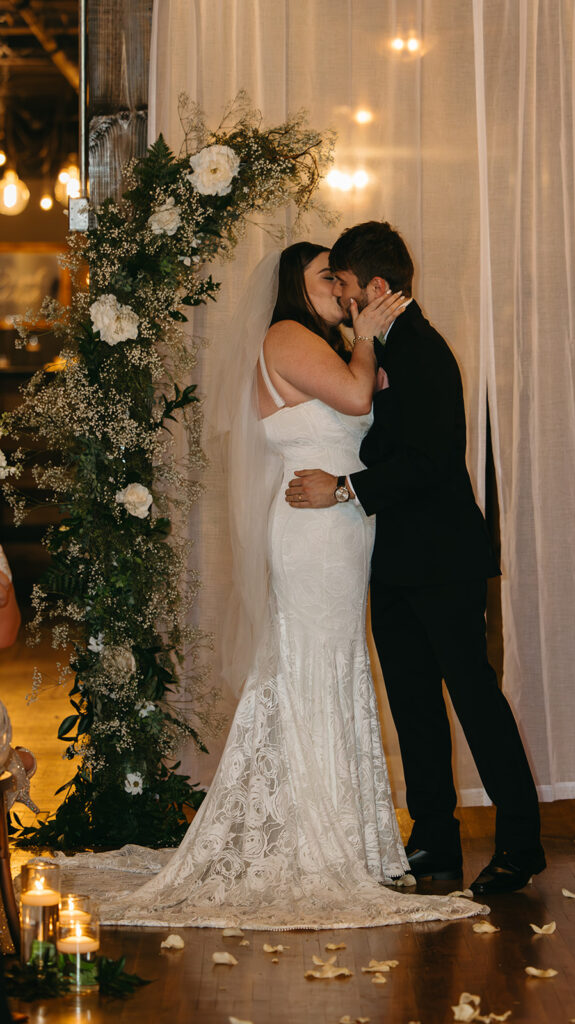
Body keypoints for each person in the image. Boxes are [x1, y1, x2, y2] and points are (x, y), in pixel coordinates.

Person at [53, 243, 486, 931]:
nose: (342, 292)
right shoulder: (286, 336)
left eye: (344, 280)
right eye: (328, 279)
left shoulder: (328, 344)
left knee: (336, 668)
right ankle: (316, 837)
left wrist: (367, 347)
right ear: (296, 286)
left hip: (344, 522)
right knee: (313, 665)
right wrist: (368, 341)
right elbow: (352, 396)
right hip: (315, 528)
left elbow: (377, 415)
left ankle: (346, 832)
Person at [285, 222, 545, 895]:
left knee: (474, 702)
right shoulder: (379, 347)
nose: (339, 297)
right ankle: (433, 840)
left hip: (444, 559)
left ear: (373, 287)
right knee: (413, 707)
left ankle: (520, 844)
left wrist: (343, 486)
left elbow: (429, 464)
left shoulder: (424, 351)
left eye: (341, 284)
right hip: (394, 560)